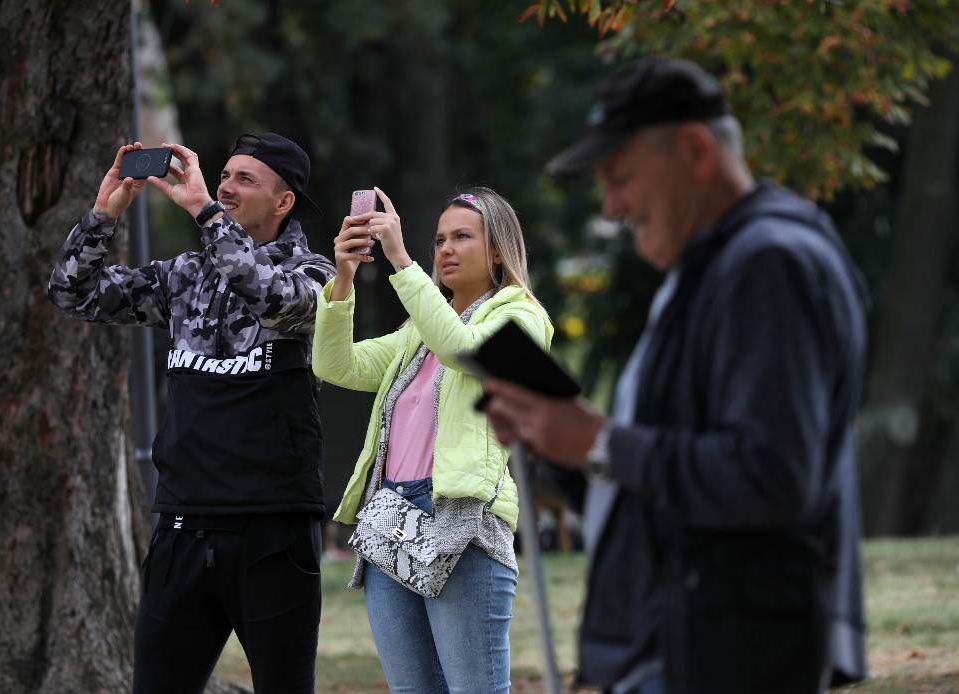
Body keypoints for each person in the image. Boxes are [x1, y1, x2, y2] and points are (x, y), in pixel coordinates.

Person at [482, 57, 869, 694]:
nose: (611, 206)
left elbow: (772, 476)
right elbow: (664, 484)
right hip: (688, 640)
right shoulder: (715, 267)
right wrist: (560, 448)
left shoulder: (768, 263)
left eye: (622, 178)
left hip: (731, 653)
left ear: (694, 150)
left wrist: (599, 442)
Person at [47, 133, 336, 694]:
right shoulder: (185, 276)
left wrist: (206, 212)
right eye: (223, 176)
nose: (225, 187)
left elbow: (271, 297)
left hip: (271, 531)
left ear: (284, 202)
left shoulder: (320, 274)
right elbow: (71, 293)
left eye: (244, 179)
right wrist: (103, 214)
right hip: (182, 526)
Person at [312, 186, 552, 693]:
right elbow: (336, 365)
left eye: (462, 236)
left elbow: (464, 351)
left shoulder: (524, 317)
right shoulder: (420, 328)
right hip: (389, 518)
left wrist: (399, 260)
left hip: (460, 520)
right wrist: (343, 281)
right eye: (439, 238)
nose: (445, 248)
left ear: (496, 250)